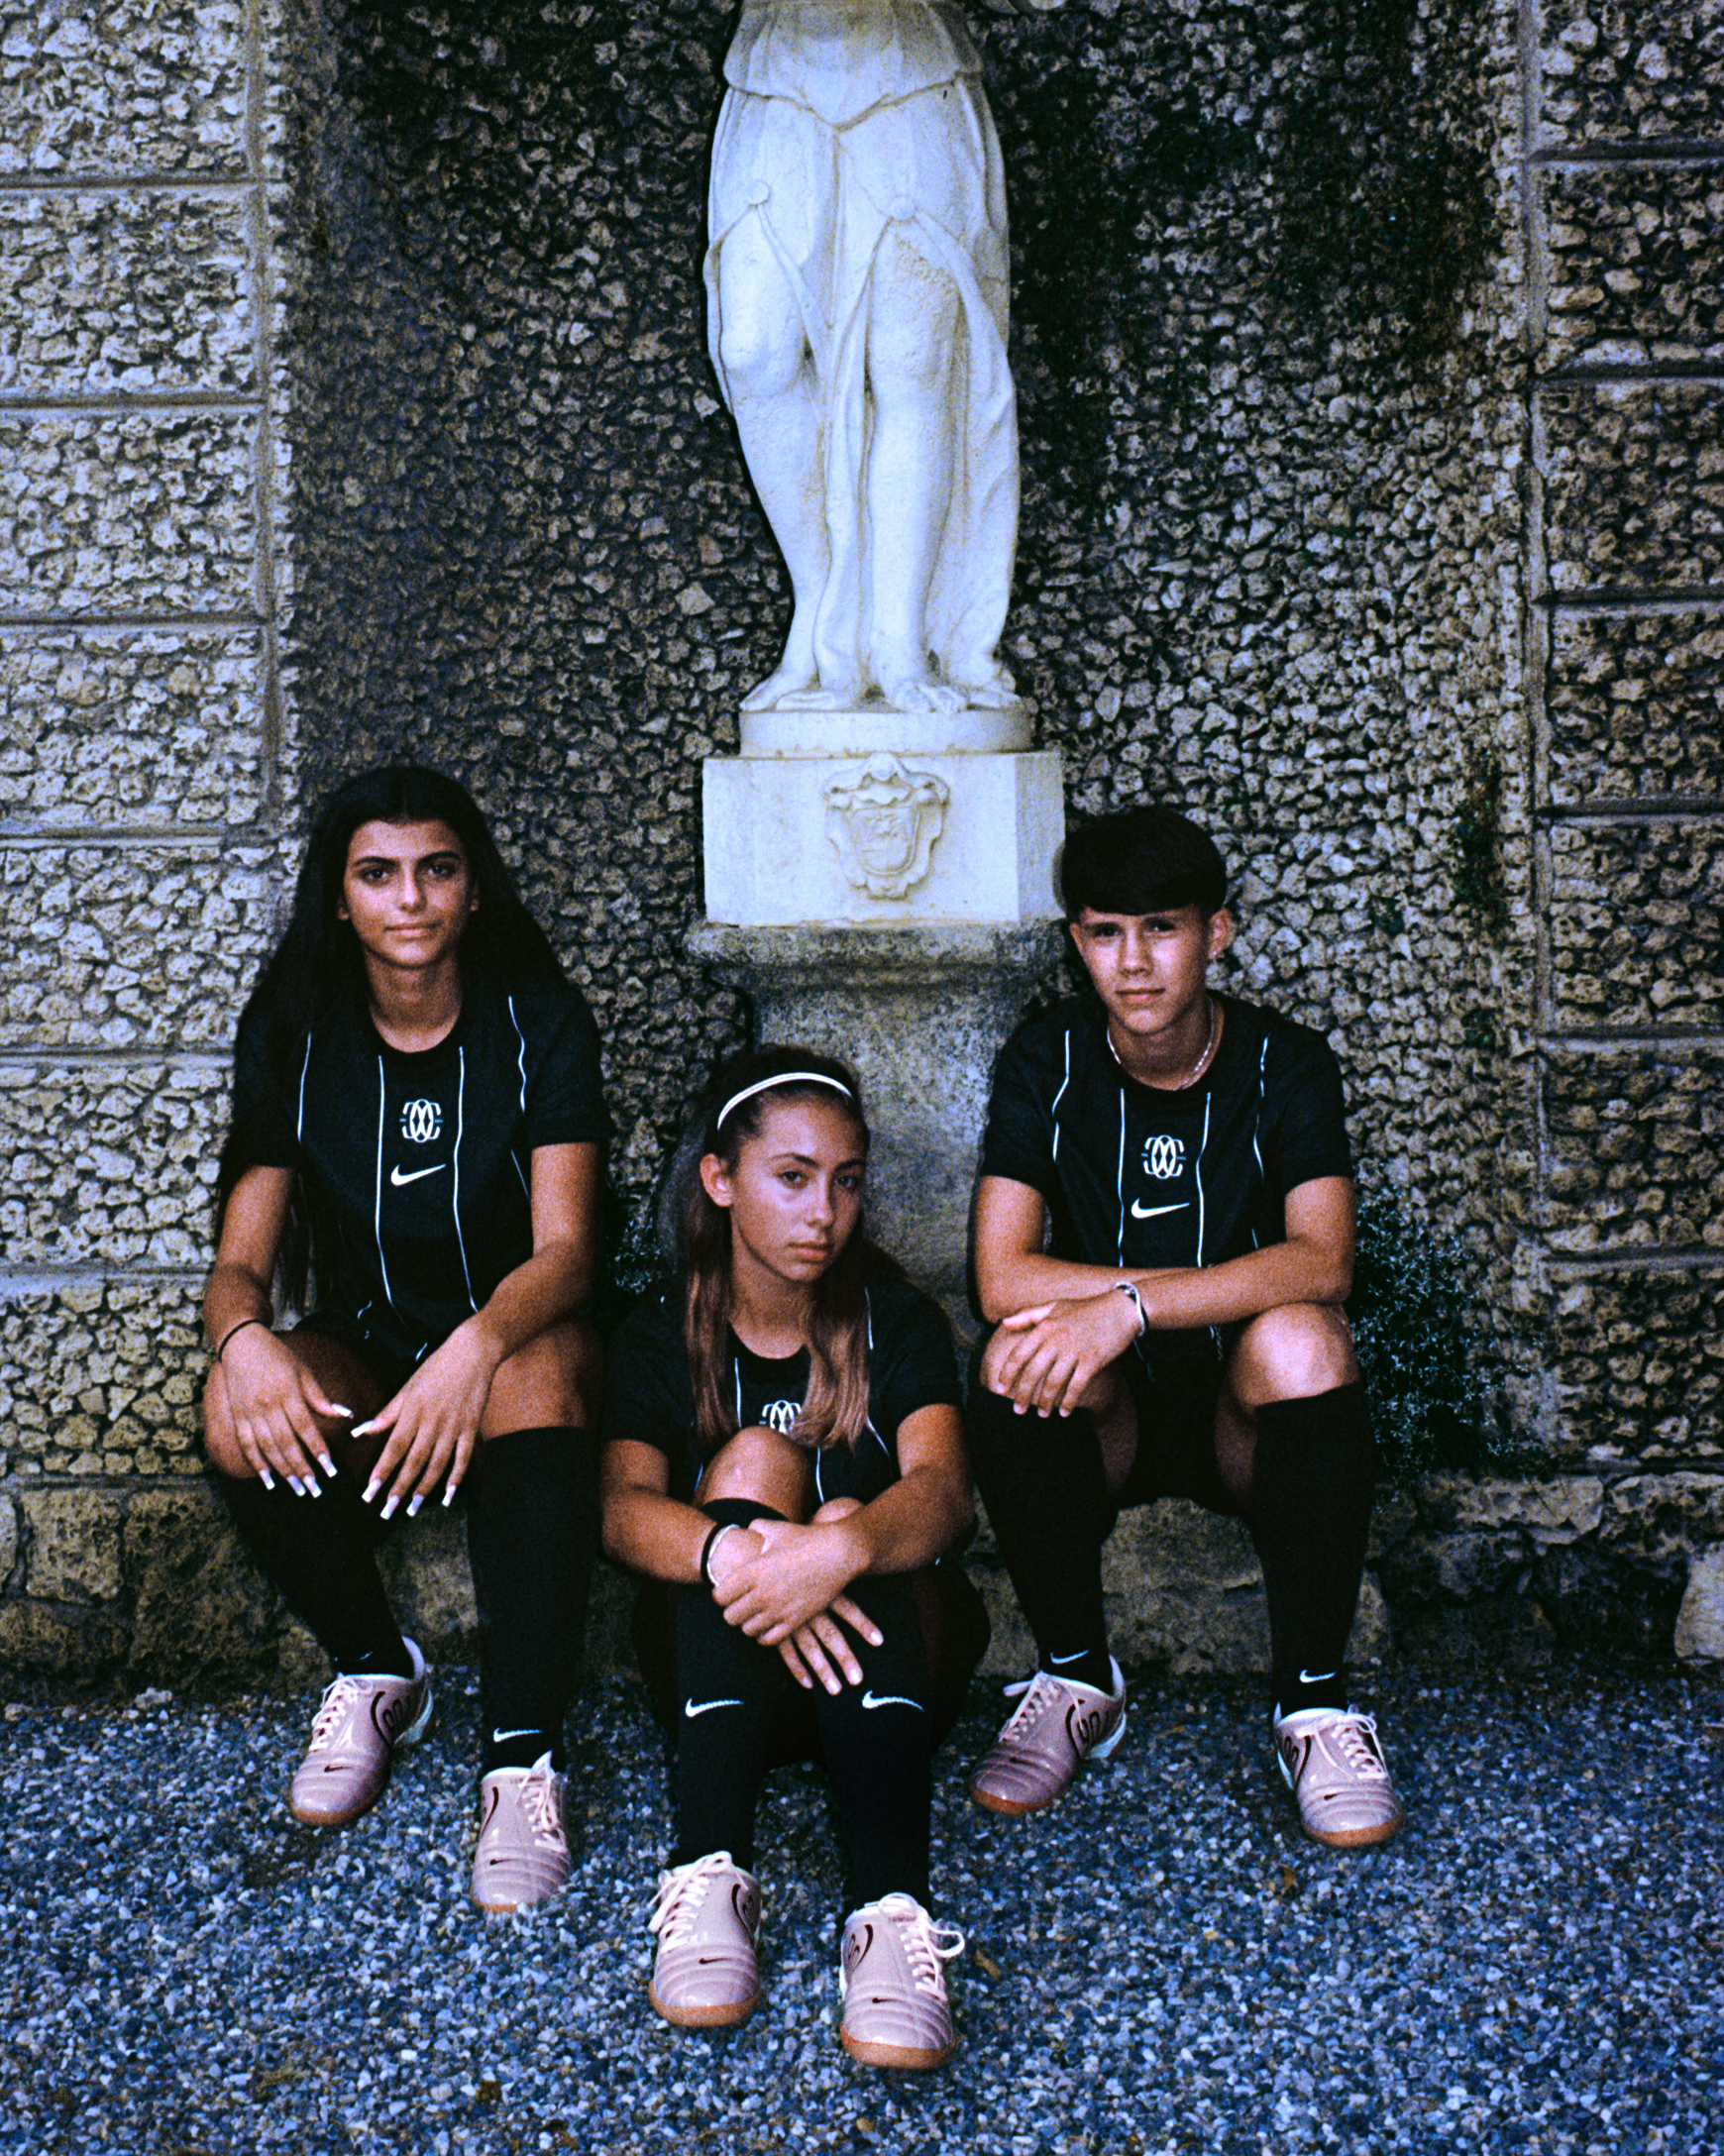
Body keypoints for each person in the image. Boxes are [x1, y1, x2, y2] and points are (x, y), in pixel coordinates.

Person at [202, 764, 607, 1912]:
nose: (411, 899)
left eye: (437, 869)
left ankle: (522, 1756)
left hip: (514, 1342)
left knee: (541, 1364)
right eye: (377, 874)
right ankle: (380, 1666)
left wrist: (472, 1352)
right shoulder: (298, 1027)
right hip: (375, 1345)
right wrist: (247, 1345)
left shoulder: (537, 1020)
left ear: (474, 889)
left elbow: (569, 1253)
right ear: (339, 899)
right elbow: (241, 1264)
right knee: (232, 1408)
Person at [965, 804, 1402, 1849]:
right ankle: (1076, 1677)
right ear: (1077, 943)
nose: (1136, 961)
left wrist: (1128, 1303)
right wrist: (1107, 1320)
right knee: (1014, 1353)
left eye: (1162, 928)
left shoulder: (1284, 1062)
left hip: (1241, 1412)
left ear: (1220, 931)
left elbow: (1322, 1260)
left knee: (1303, 1338)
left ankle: (1317, 1704)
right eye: (1107, 931)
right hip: (1110, 1413)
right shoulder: (1047, 1060)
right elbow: (999, 1272)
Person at [601, 1047, 987, 2069]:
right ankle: (708, 1868)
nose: (825, 1209)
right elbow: (619, 1507)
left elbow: (946, 1494)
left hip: (893, 1681)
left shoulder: (893, 1319)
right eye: (793, 1175)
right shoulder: (662, 1329)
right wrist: (747, 1556)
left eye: (847, 1180)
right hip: (721, 1693)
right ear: (721, 1179)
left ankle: (890, 1911)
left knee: (869, 1497)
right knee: (755, 1458)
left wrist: (838, 1550)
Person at [705, 0, 1019, 714]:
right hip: (777, 77)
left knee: (912, 364)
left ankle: (900, 643)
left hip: (909, 76)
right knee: (754, 351)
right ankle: (821, 626)